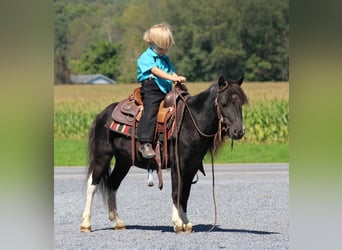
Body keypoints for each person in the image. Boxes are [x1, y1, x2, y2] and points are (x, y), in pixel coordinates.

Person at [136, 23, 186, 159]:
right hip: (152, 88)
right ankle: (145, 142)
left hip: (166, 88)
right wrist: (171, 77)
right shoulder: (145, 57)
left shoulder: (165, 58)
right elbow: (156, 71)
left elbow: (171, 71)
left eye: (166, 48)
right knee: (151, 110)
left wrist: (177, 78)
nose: (164, 51)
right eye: (161, 48)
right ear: (151, 42)